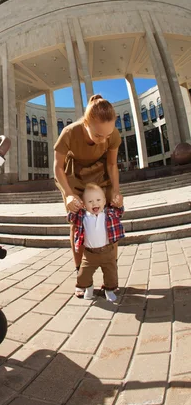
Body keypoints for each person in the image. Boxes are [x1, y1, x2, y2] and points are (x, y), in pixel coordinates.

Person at [54, 94, 124, 296]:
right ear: (86, 123)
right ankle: (81, 276)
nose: (104, 139)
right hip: (73, 175)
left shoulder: (113, 135)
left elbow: (111, 164)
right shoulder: (69, 133)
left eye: (108, 135)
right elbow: (57, 167)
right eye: (99, 135)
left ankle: (111, 271)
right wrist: (68, 194)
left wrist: (116, 192)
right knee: (78, 223)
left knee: (110, 217)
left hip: (100, 173)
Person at [68, 183, 125, 302]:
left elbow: (120, 212)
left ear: (104, 201)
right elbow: (70, 218)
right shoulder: (82, 216)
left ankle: (109, 290)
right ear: (84, 204)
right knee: (83, 275)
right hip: (89, 254)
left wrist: (119, 203)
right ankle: (89, 287)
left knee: (111, 274)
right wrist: (74, 207)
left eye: (98, 200)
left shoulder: (109, 213)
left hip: (108, 251)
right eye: (90, 201)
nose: (95, 204)